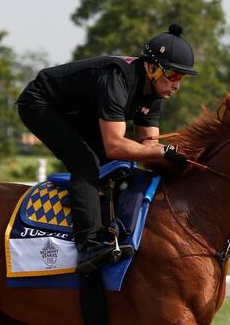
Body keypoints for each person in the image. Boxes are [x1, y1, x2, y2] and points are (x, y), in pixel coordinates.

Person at [16, 24, 195, 274]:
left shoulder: (154, 96)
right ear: (152, 68)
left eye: (182, 78)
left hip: (78, 112)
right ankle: (88, 243)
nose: (177, 85)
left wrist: (180, 157)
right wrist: (162, 152)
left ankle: (106, 226)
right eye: (174, 75)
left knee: (119, 168)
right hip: (41, 103)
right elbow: (115, 146)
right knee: (87, 162)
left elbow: (148, 145)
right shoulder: (118, 78)